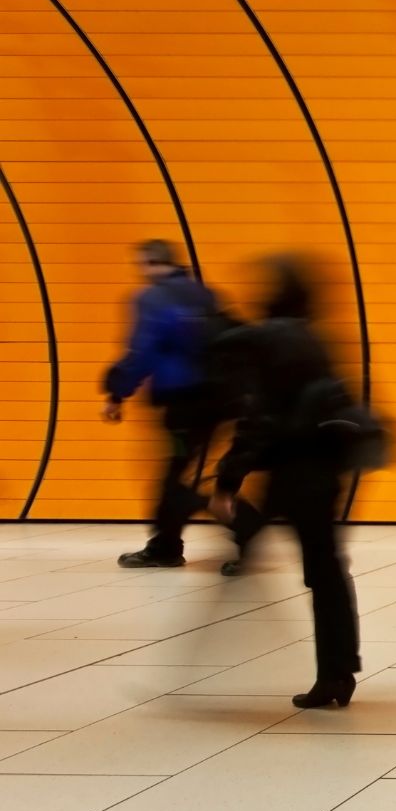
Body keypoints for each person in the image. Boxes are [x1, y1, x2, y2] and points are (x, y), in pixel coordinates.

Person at [206, 255, 362, 710]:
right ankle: (339, 671)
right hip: (324, 470)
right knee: (328, 571)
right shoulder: (317, 338)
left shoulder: (268, 340)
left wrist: (227, 482)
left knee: (267, 554)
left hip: (291, 471)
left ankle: (324, 673)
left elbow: (258, 418)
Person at [104, 239, 265, 572]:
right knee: (180, 475)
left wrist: (117, 393)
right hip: (219, 402)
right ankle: (168, 544)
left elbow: (141, 352)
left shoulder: (152, 298)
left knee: (174, 481)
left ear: (149, 263)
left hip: (183, 404)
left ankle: (240, 524)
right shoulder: (204, 294)